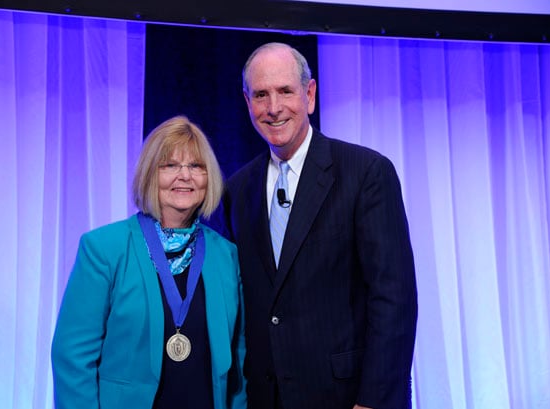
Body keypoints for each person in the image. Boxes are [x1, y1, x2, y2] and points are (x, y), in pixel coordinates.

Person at [216, 42, 418, 409]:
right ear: (247, 103)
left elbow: (395, 301)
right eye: (261, 95)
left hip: (347, 398)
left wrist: (373, 401)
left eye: (285, 92)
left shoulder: (366, 173)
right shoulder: (237, 190)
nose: (273, 108)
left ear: (309, 95)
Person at [51, 115, 247, 409]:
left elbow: (239, 361)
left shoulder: (226, 255)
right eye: (170, 165)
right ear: (149, 174)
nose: (185, 175)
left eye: (196, 166)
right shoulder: (104, 249)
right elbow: (72, 358)